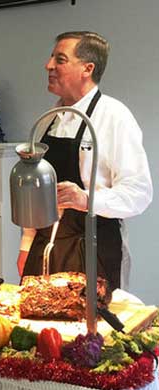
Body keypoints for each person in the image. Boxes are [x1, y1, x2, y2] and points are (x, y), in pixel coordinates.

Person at [17, 31, 153, 291]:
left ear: (87, 69)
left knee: (90, 330)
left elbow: (139, 193)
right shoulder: (47, 120)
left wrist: (86, 199)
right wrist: (26, 245)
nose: (48, 66)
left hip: (94, 251)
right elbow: (33, 192)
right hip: (44, 249)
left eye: (60, 59)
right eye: (51, 58)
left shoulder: (115, 117)